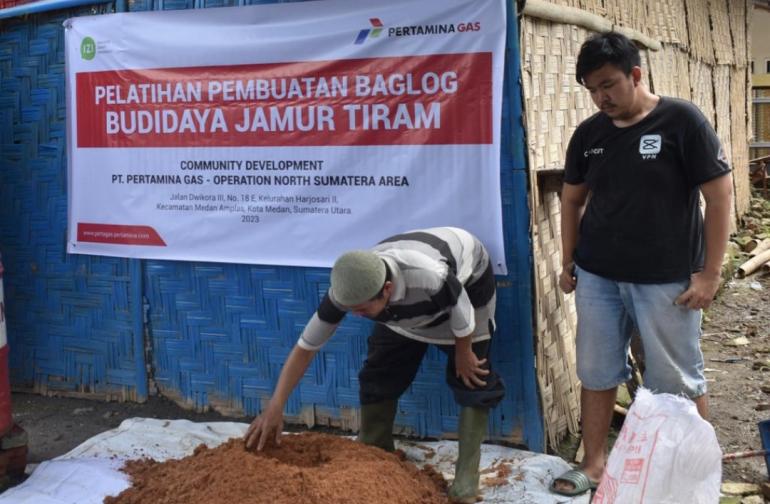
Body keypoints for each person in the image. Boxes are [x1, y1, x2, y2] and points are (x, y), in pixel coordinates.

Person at [551, 32, 733, 496]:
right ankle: (593, 465)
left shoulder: (682, 122)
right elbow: (572, 200)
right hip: (598, 276)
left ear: (636, 74)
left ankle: (693, 473)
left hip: (667, 278)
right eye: (592, 88)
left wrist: (710, 274)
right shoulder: (589, 135)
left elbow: (719, 195)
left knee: (676, 376)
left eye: (608, 84)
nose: (601, 96)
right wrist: (568, 260)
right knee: (596, 370)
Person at [244, 226, 505, 503]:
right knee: (379, 373)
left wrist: (463, 352)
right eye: (350, 310)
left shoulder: (430, 276)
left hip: (466, 290)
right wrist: (276, 404)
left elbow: (461, 307)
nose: (356, 316)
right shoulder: (349, 288)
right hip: (402, 303)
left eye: (363, 310)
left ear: (387, 290)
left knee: (472, 376)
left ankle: (466, 479)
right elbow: (306, 348)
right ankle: (376, 451)